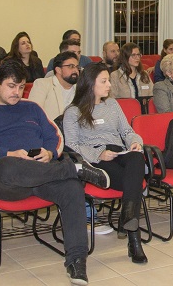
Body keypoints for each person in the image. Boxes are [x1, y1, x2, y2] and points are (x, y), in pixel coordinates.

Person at [0, 59, 110, 285]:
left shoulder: (32, 107)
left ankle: (77, 261)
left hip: (43, 174)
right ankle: (74, 168)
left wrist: (50, 153)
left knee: (71, 188)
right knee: (7, 166)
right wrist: (7, 153)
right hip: (5, 180)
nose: (17, 92)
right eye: (11, 86)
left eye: (21, 87)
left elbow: (56, 136)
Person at [63, 63, 148, 264]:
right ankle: (133, 239)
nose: (109, 85)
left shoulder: (112, 105)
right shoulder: (73, 112)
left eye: (108, 80)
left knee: (137, 157)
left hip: (120, 151)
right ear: (90, 84)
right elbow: (72, 145)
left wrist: (136, 142)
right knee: (133, 182)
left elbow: (127, 131)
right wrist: (98, 154)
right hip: (97, 158)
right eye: (104, 81)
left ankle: (126, 216)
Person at [29, 51, 80, 120]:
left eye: (77, 67)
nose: (75, 70)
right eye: (71, 66)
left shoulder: (81, 88)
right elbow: (33, 113)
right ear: (58, 70)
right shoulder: (42, 84)